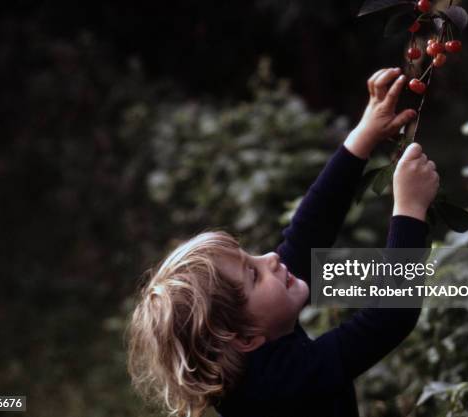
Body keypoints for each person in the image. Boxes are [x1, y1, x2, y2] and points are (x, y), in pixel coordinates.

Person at [127, 67, 439, 417]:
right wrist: (409, 209)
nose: (271, 260)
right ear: (245, 339)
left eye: (251, 258)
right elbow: (388, 320)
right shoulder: (275, 388)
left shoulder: (259, 333)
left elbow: (309, 230)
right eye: (253, 275)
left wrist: (363, 136)